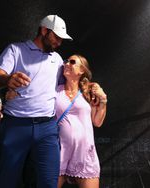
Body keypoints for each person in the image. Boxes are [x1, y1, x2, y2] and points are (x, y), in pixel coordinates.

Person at [0, 15, 72, 188]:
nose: (59, 42)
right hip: (16, 125)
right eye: (56, 37)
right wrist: (7, 79)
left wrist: (89, 87)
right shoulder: (16, 50)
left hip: (47, 128)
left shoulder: (57, 59)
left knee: (49, 182)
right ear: (44, 30)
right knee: (7, 181)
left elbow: (70, 86)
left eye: (61, 39)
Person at [55, 54, 107, 188]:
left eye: (72, 62)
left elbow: (97, 122)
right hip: (59, 151)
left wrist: (103, 100)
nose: (66, 64)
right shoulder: (54, 91)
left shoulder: (88, 92)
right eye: (66, 61)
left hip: (84, 153)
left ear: (82, 70)